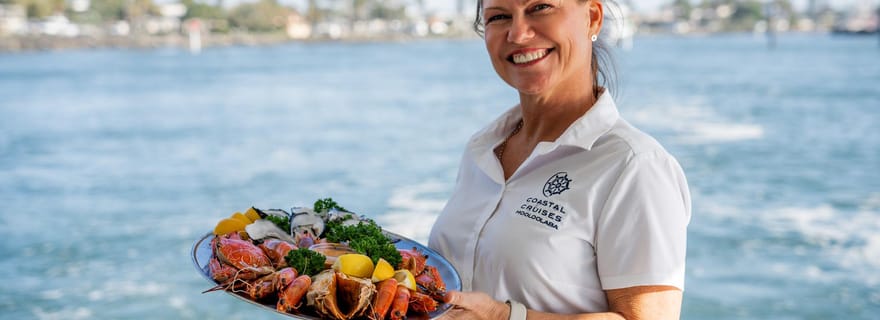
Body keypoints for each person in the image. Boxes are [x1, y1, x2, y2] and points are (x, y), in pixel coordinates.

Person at [427, 0, 691, 319]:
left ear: (592, 18)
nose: (519, 33)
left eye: (540, 8)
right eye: (499, 17)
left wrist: (503, 316)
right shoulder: (482, 148)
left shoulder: (635, 166)